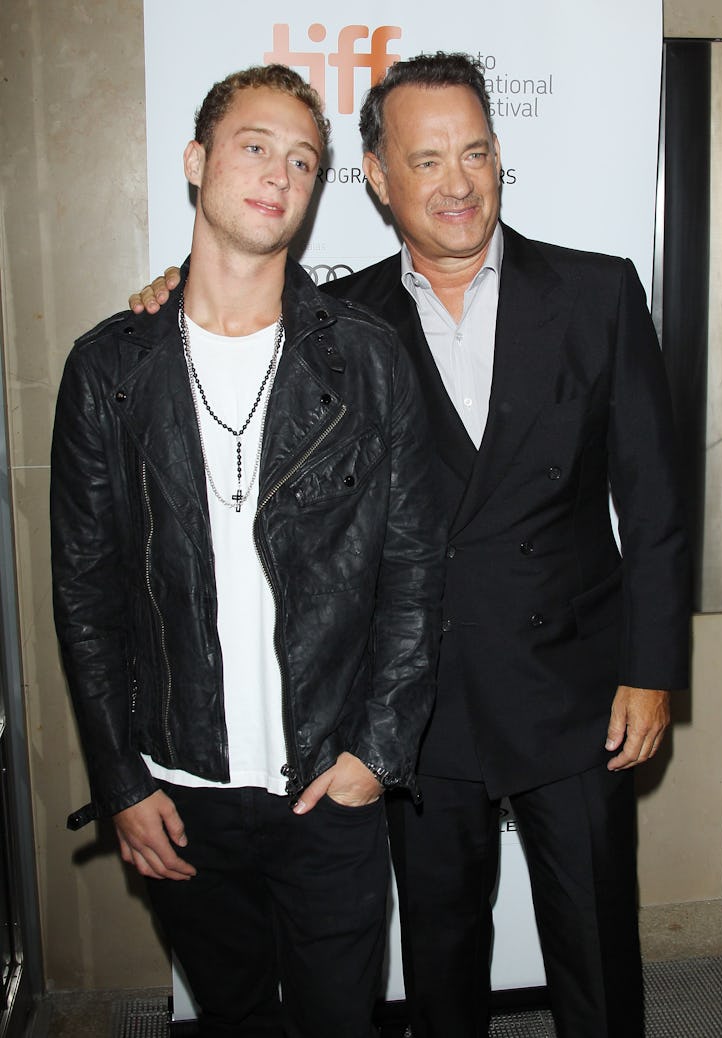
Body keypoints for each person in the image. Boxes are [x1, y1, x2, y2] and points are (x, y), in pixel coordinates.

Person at [132, 53, 691, 1038]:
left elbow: (650, 506)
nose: (457, 182)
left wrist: (651, 671)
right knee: (439, 956)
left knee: (595, 947)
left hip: (573, 690)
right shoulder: (344, 326)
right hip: (418, 707)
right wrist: (174, 292)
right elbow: (233, 330)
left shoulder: (597, 295)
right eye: (426, 160)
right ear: (381, 182)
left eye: (474, 152)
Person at [51, 64, 444, 1038]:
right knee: (228, 1018)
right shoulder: (110, 368)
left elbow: (412, 572)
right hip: (177, 790)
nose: (278, 173)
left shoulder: (363, 357)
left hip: (327, 784)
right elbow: (85, 592)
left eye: (302, 161)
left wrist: (373, 755)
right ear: (197, 161)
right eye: (254, 147)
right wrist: (121, 783)